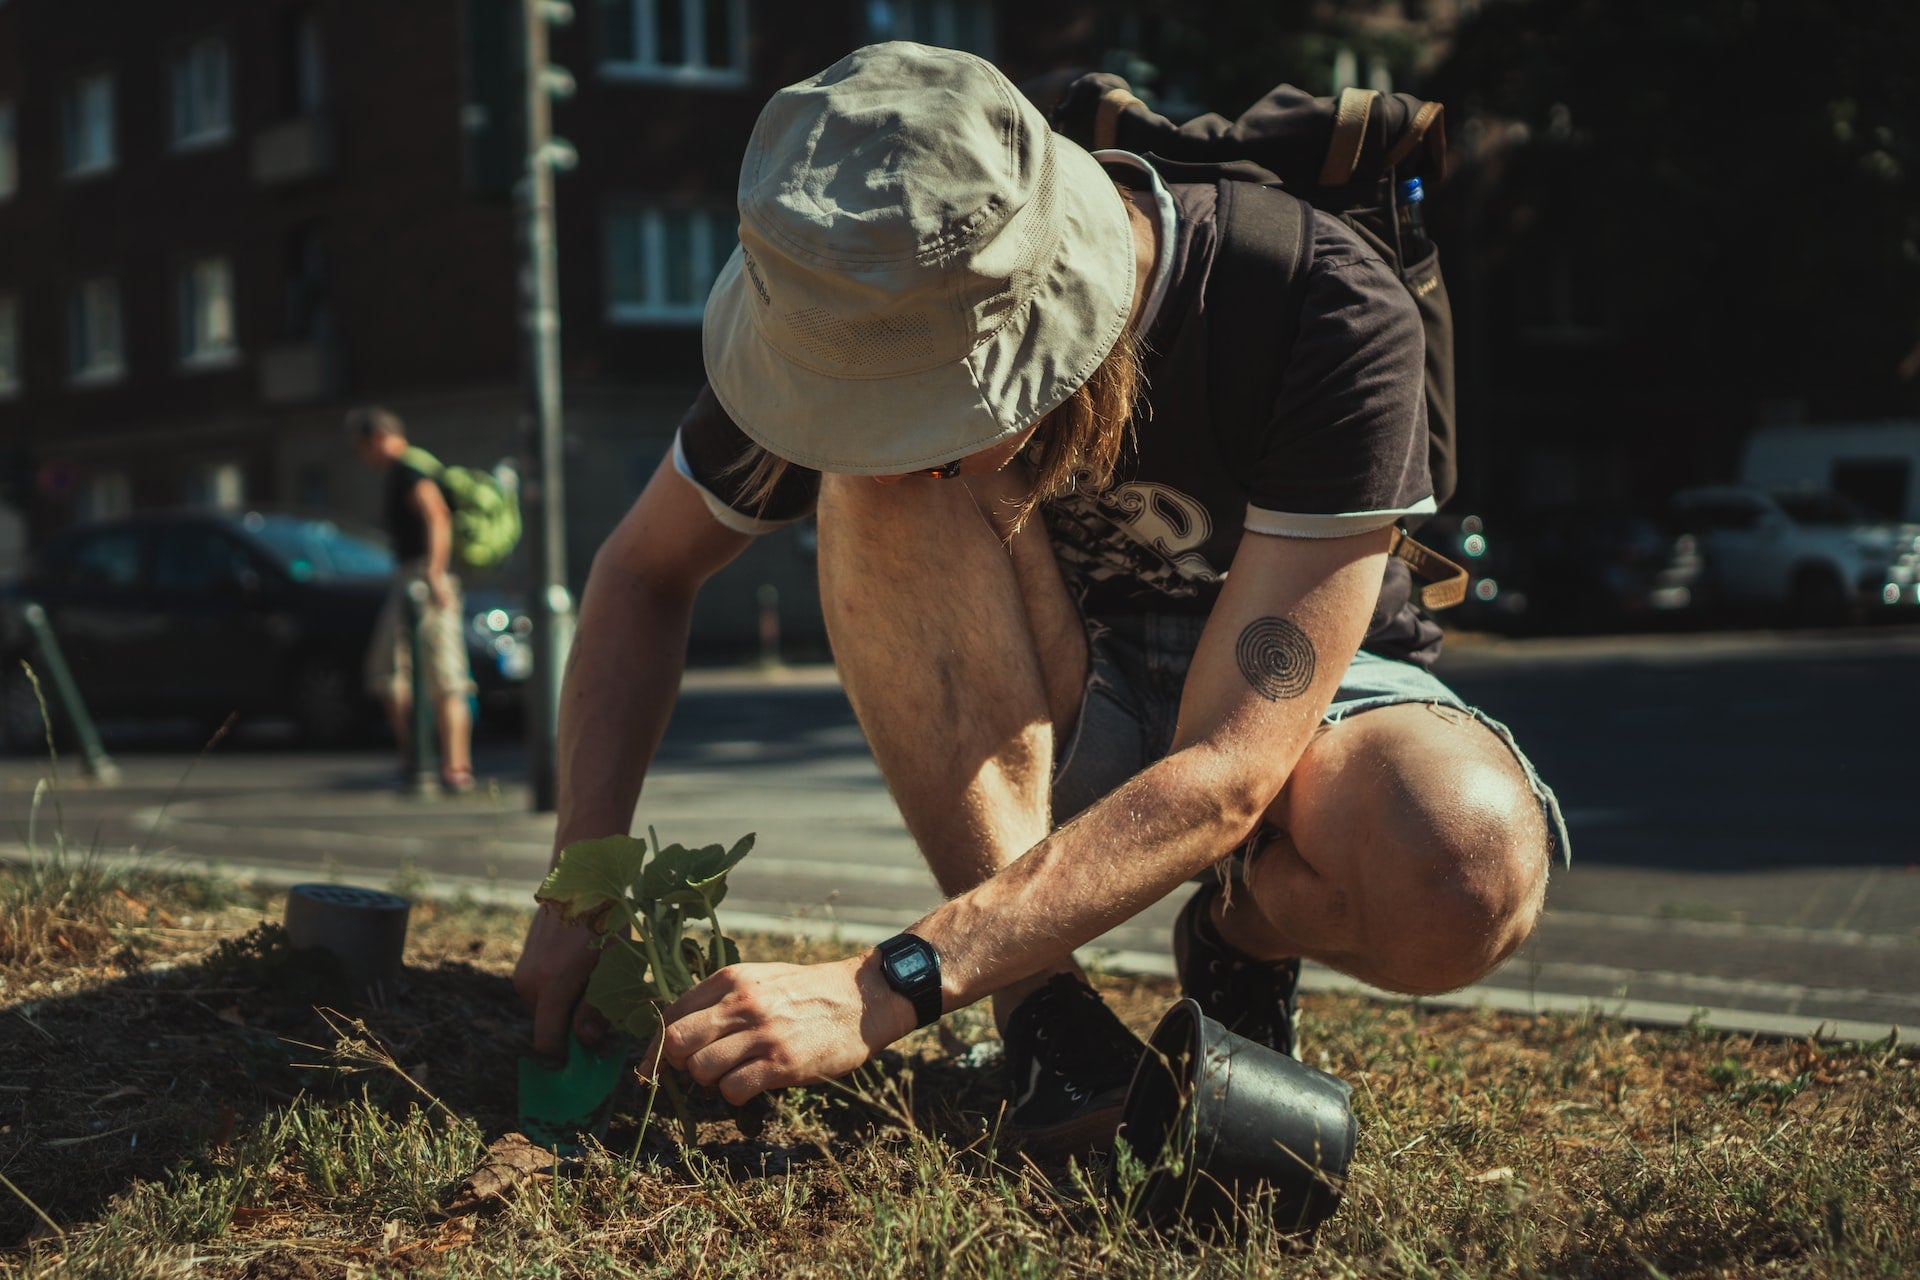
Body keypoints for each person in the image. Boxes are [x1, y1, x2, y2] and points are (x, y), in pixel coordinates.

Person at [512, 43, 1570, 1156]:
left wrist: (885, 985)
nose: (902, 439)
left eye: (931, 407)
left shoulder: (1319, 305)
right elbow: (641, 570)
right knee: (874, 487)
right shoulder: (845, 312)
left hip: (1304, 698)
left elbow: (1228, 767)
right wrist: (579, 891)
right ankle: (1043, 1018)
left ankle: (1241, 935)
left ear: (1049, 307)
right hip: (1065, 681)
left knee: (1465, 867)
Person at [346, 406, 477, 794]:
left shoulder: (409, 468)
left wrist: (435, 573)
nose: (361, 457)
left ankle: (452, 767)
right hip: (414, 576)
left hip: (423, 577)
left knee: (445, 674)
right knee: (392, 673)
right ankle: (419, 760)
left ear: (375, 439)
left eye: (360, 447)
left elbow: (437, 516)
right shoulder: (404, 469)